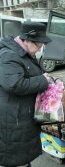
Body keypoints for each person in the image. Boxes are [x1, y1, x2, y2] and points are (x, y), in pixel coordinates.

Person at [0, 22, 52, 167]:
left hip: (21, 113)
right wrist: (42, 80)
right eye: (38, 46)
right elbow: (14, 84)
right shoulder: (8, 55)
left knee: (22, 157)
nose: (39, 50)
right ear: (27, 40)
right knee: (16, 158)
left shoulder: (23, 52)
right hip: (13, 117)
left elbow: (30, 74)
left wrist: (45, 78)